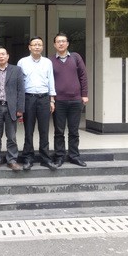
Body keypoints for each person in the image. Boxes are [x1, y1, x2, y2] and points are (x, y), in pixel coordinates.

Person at [17, 36, 57, 171]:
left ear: (43, 47)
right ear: (29, 47)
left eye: (39, 44)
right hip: (28, 98)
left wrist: (52, 100)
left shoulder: (47, 62)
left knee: (44, 130)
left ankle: (45, 158)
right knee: (28, 130)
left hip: (44, 99)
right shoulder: (22, 62)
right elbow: (19, 83)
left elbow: (51, 80)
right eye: (34, 44)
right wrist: (20, 103)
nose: (37, 47)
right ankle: (28, 158)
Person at [51, 32, 89, 167]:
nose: (61, 43)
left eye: (63, 41)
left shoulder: (75, 57)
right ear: (54, 44)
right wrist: (51, 99)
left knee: (74, 131)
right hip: (59, 101)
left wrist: (84, 94)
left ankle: (74, 156)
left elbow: (83, 76)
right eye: (58, 41)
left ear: (67, 43)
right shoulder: (50, 61)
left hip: (75, 100)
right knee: (59, 131)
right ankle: (59, 156)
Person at [0, 46, 25, 171]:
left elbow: (21, 90)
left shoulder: (17, 70)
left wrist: (20, 108)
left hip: (11, 108)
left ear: (7, 56)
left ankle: (12, 160)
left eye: (3, 54)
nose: (1, 56)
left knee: (11, 136)